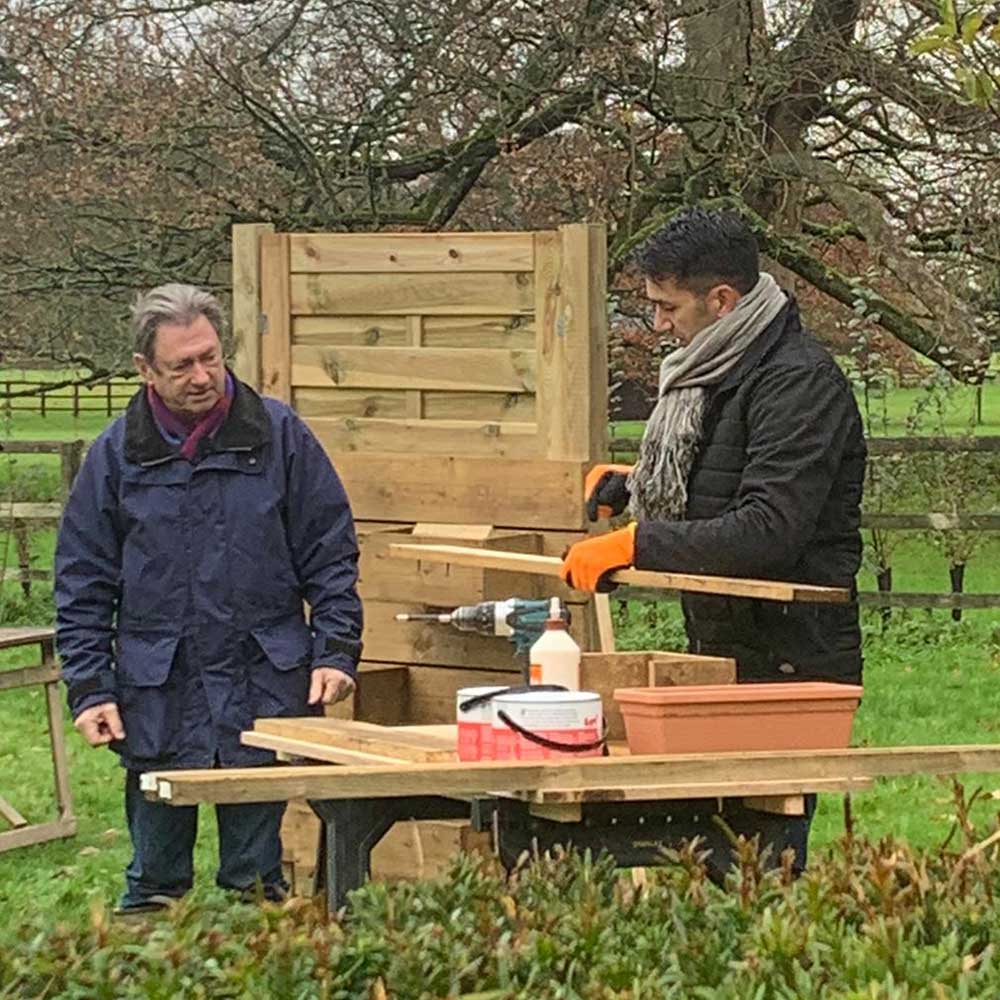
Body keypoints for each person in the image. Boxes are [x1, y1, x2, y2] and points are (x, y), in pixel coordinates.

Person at [561, 207, 866, 872]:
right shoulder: (721, 367)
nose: (659, 325)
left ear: (722, 300)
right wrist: (636, 484)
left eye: (668, 307)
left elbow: (768, 530)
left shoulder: (798, 381)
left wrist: (636, 545)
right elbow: (721, 476)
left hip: (790, 665)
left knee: (762, 878)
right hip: (727, 650)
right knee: (717, 867)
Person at [55, 283, 363, 913]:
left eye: (211, 358)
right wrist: (91, 688)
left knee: (256, 887)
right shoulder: (114, 457)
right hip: (156, 695)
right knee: (153, 888)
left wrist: (336, 652)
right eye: (182, 365)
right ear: (145, 371)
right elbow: (82, 584)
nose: (201, 376)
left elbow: (330, 555)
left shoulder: (280, 438)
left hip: (264, 685)